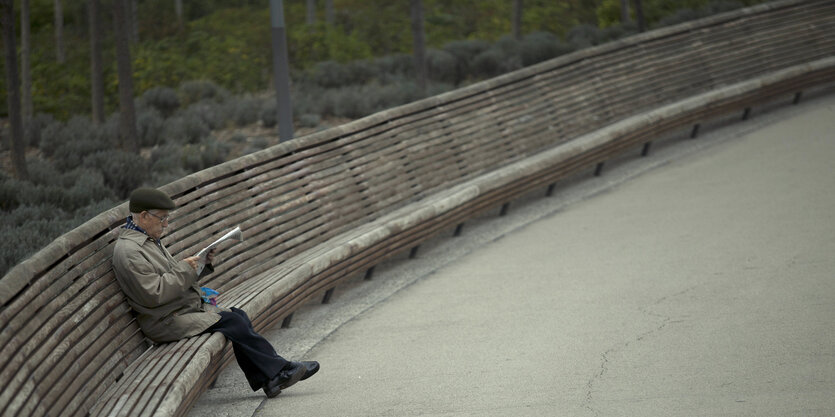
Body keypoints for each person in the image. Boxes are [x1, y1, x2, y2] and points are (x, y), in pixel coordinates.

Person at [112, 187, 318, 398]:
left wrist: (200, 264)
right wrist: (186, 268)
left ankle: (272, 378)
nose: (166, 224)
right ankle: (279, 372)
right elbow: (154, 293)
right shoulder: (130, 252)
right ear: (144, 216)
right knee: (232, 322)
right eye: (162, 219)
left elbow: (171, 279)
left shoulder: (146, 239)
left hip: (178, 311)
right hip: (165, 322)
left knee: (238, 315)